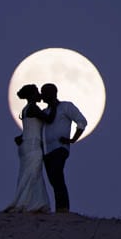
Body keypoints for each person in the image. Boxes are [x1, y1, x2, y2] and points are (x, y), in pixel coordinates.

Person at [5, 84, 54, 213]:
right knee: (32, 174)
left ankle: (36, 203)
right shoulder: (33, 108)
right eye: (37, 92)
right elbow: (49, 119)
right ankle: (24, 203)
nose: (39, 94)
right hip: (33, 146)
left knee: (32, 173)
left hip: (27, 145)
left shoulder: (26, 109)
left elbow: (29, 129)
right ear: (32, 95)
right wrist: (53, 104)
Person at [39, 83, 87, 214]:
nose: (42, 95)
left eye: (44, 92)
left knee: (57, 174)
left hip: (60, 148)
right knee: (53, 179)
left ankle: (63, 208)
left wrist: (72, 139)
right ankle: (59, 208)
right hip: (47, 151)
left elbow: (82, 121)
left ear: (53, 93)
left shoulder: (66, 106)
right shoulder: (45, 112)